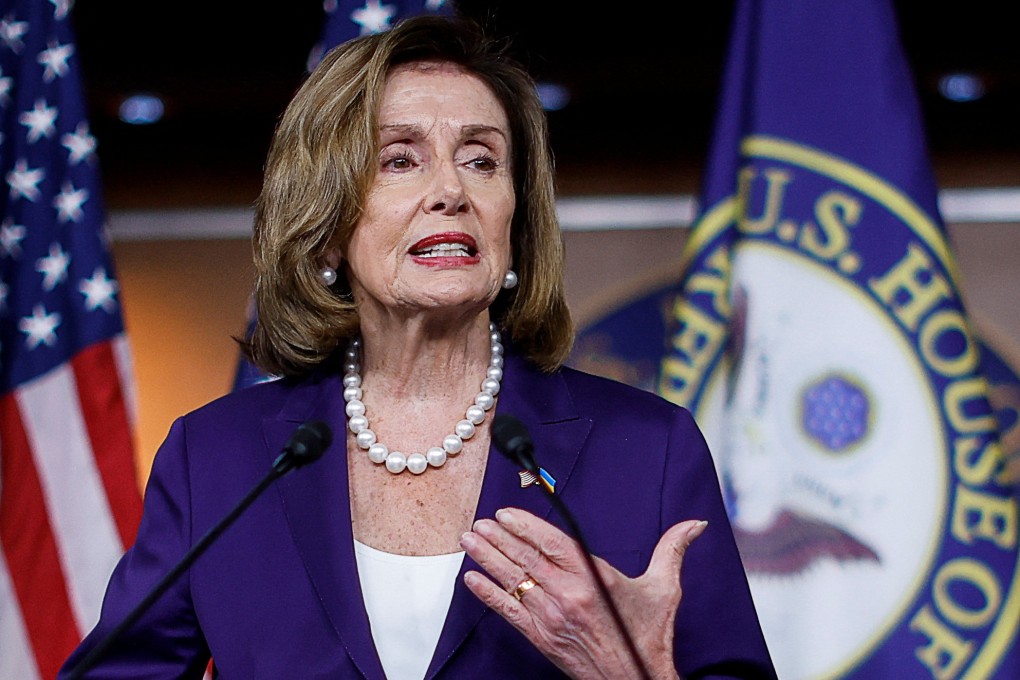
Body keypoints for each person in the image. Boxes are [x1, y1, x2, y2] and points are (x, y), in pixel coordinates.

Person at [61, 15, 776, 680]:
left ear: (514, 218)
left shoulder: (647, 453)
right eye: (400, 160)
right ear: (329, 220)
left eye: (482, 160)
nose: (451, 191)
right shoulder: (217, 461)